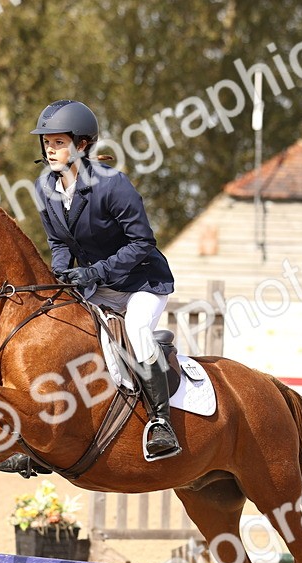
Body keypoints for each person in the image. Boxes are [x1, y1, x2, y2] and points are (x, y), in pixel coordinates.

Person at [31, 99, 179, 461]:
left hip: (142, 285)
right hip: (96, 288)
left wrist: (94, 272)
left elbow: (142, 243)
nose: (51, 149)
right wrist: (62, 275)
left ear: (82, 145)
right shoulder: (44, 187)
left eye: (59, 142)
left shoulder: (112, 185)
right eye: (47, 143)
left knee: (138, 333)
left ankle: (161, 422)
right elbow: (58, 242)